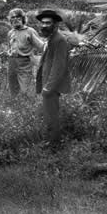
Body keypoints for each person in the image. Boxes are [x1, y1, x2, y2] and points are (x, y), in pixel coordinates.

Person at [36, 9, 71, 146]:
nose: (44, 25)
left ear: (55, 24)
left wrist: (48, 87)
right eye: (43, 23)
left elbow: (59, 67)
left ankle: (54, 144)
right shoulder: (51, 38)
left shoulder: (59, 40)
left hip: (51, 86)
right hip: (47, 83)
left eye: (48, 23)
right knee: (49, 114)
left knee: (52, 115)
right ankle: (50, 141)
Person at [7, 8, 44, 100]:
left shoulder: (29, 31)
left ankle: (28, 109)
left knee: (25, 91)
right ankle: (15, 109)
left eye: (18, 17)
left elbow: (42, 46)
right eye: (13, 17)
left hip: (25, 63)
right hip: (12, 63)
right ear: (10, 20)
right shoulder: (10, 32)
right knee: (13, 90)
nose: (15, 19)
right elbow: (10, 47)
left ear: (23, 18)